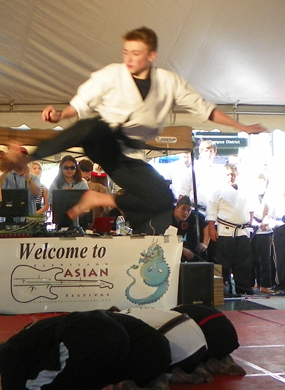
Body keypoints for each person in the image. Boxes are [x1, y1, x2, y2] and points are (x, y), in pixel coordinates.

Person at [29, 26, 264, 234]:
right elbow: (81, 103)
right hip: (105, 138)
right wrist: (60, 115)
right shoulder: (112, 74)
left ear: (152, 55)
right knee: (92, 126)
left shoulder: (168, 82)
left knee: (162, 198)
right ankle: (28, 157)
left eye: (136, 53)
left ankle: (99, 198)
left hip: (127, 157)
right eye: (126, 52)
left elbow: (206, 110)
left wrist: (240, 126)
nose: (129, 59)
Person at [0, 309, 171, 390]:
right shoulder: (36, 331)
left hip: (92, 336)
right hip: (156, 348)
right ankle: (140, 384)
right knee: (85, 369)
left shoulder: (9, 353)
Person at [207, 164, 255, 296]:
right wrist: (211, 227)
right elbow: (212, 210)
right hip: (225, 232)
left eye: (233, 174)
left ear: (237, 175)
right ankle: (222, 291)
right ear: (224, 176)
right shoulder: (218, 191)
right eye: (228, 174)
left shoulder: (245, 190)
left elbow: (250, 210)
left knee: (243, 263)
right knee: (223, 264)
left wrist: (249, 228)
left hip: (242, 232)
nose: (231, 177)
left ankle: (243, 290)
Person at [0, 147, 41, 218]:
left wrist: (28, 176)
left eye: (24, 158)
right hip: (11, 218)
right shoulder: (7, 176)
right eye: (19, 158)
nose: (22, 160)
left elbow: (36, 195)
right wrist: (7, 170)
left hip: (29, 218)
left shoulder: (34, 178)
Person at [171, 196, 209, 261]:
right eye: (183, 209)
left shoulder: (192, 215)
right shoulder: (168, 218)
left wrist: (205, 243)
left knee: (201, 252)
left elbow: (206, 224)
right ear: (176, 208)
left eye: (189, 210)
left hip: (180, 242)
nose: (186, 213)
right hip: (169, 246)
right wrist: (182, 249)